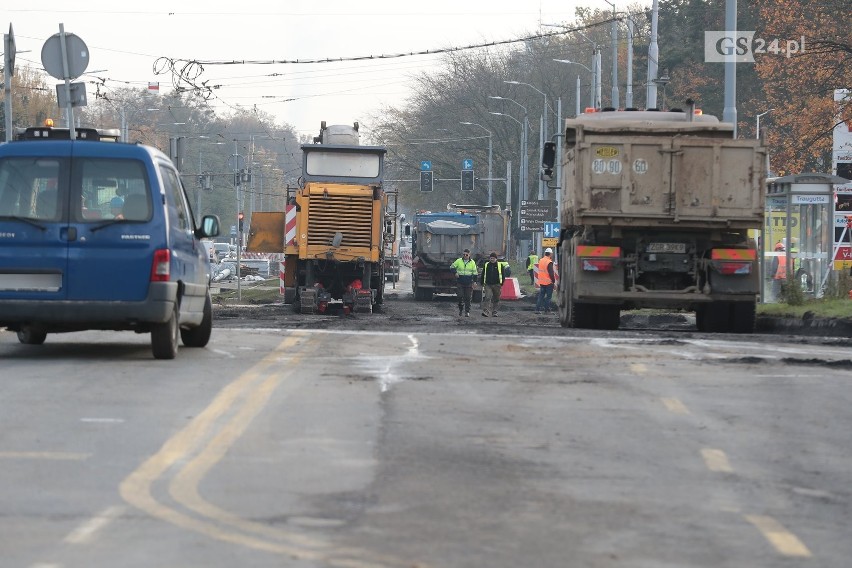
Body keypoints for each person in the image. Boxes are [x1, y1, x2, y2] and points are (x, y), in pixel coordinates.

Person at [450, 248, 478, 317]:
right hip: (460, 282)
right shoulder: (459, 261)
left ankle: (467, 311)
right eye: (464, 254)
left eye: (466, 254)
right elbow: (452, 267)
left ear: (469, 255)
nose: (465, 256)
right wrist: (455, 273)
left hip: (469, 283)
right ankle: (460, 309)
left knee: (468, 297)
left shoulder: (472, 262)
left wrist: (475, 282)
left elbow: (475, 273)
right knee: (460, 296)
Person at [481, 252, 505, 317]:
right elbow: (483, 274)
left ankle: (494, 312)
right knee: (488, 297)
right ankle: (486, 311)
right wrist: (482, 282)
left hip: (497, 285)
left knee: (496, 298)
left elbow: (503, 275)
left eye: (493, 258)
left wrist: (502, 283)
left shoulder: (500, 265)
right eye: (491, 258)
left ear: (496, 259)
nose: (492, 259)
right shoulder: (486, 265)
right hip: (488, 284)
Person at [535, 247, 555, 314]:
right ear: (550, 254)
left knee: (541, 296)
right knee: (548, 297)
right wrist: (553, 280)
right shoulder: (549, 262)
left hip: (541, 282)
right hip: (548, 282)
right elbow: (551, 273)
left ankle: (537, 310)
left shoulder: (541, 260)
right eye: (551, 254)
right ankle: (546, 310)